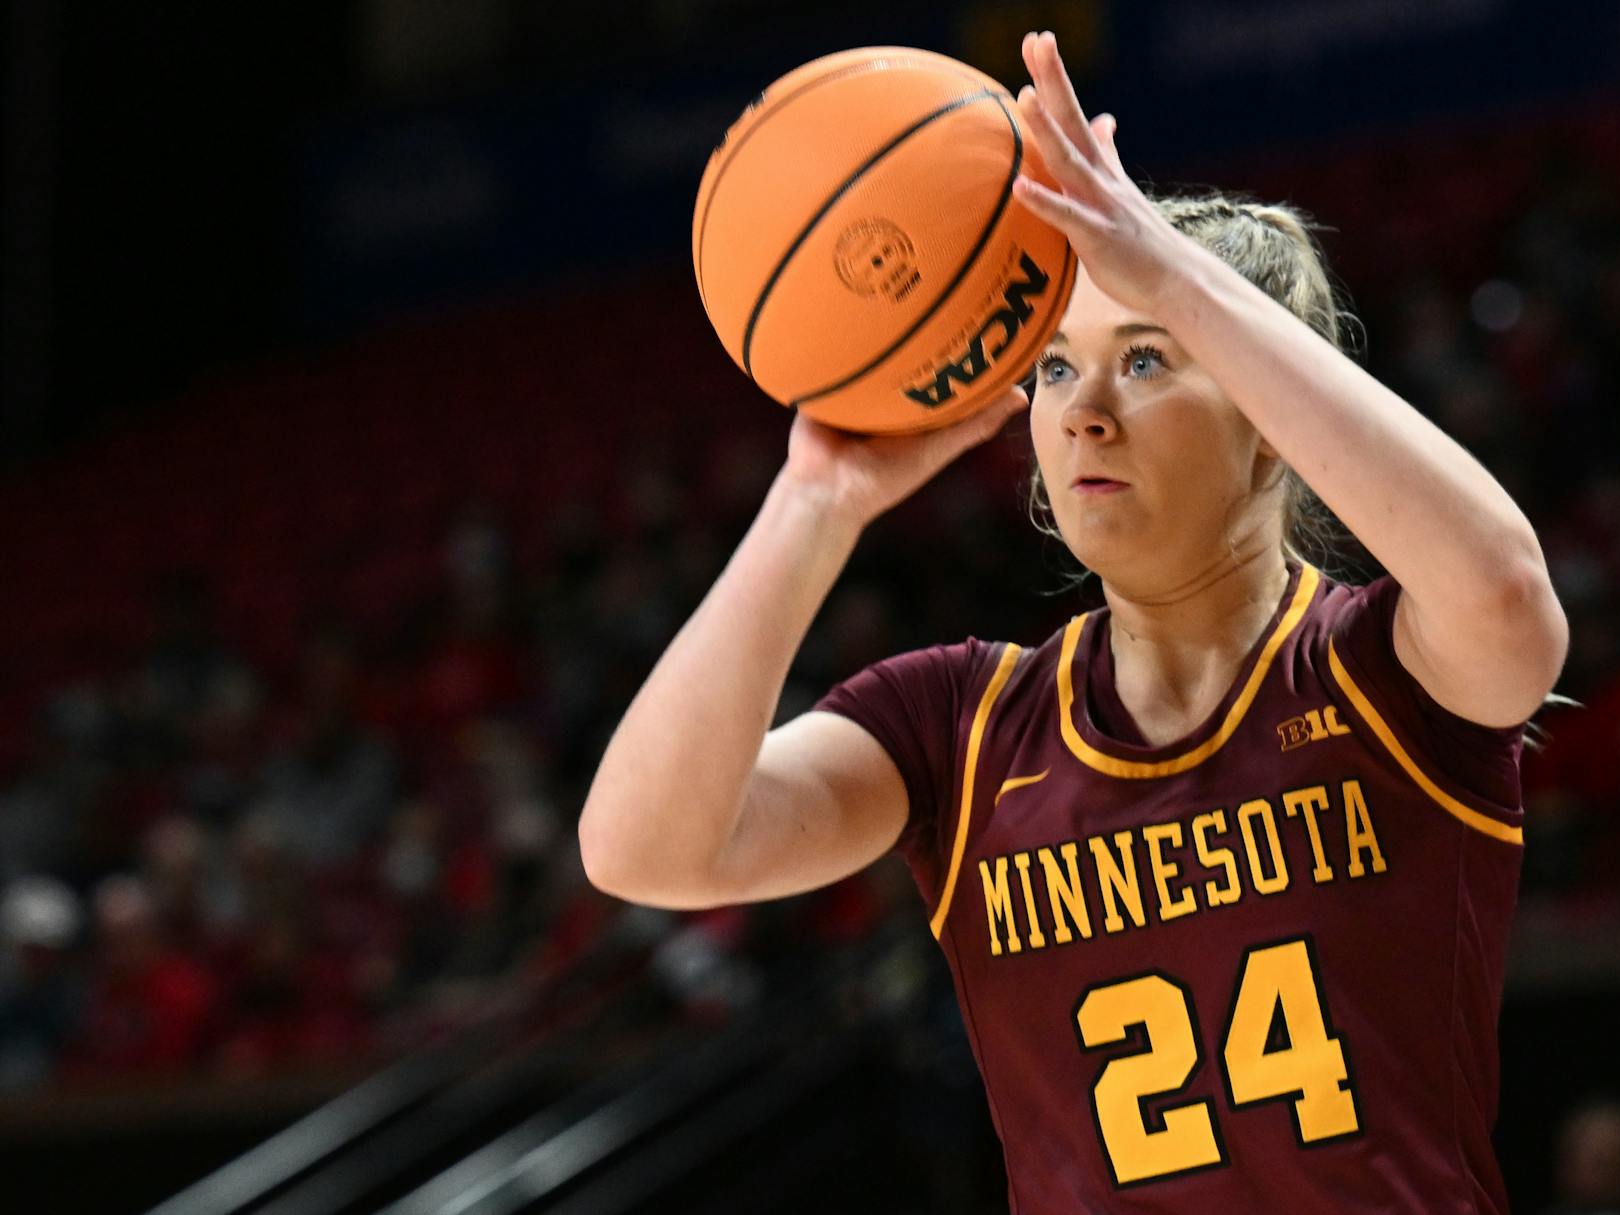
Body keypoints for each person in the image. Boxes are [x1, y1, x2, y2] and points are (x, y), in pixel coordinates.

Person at [579, 30, 1567, 1213]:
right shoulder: (960, 725)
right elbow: (642, 848)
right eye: (1054, 369)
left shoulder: (1384, 672)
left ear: (1268, 413)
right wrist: (815, 503)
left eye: (1147, 359)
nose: (1084, 413)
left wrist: (1172, 273)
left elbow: (1510, 597)